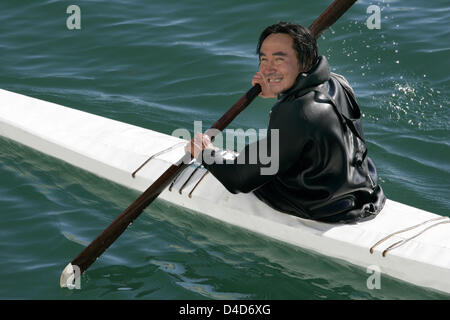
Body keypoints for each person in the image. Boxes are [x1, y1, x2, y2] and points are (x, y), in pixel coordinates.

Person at [186, 21, 386, 223]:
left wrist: (205, 153)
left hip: (324, 208)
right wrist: (280, 90)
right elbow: (307, 125)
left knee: (251, 168)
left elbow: (239, 180)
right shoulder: (337, 81)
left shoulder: (297, 111)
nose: (267, 69)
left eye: (279, 60)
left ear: (306, 62)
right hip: (365, 192)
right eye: (263, 60)